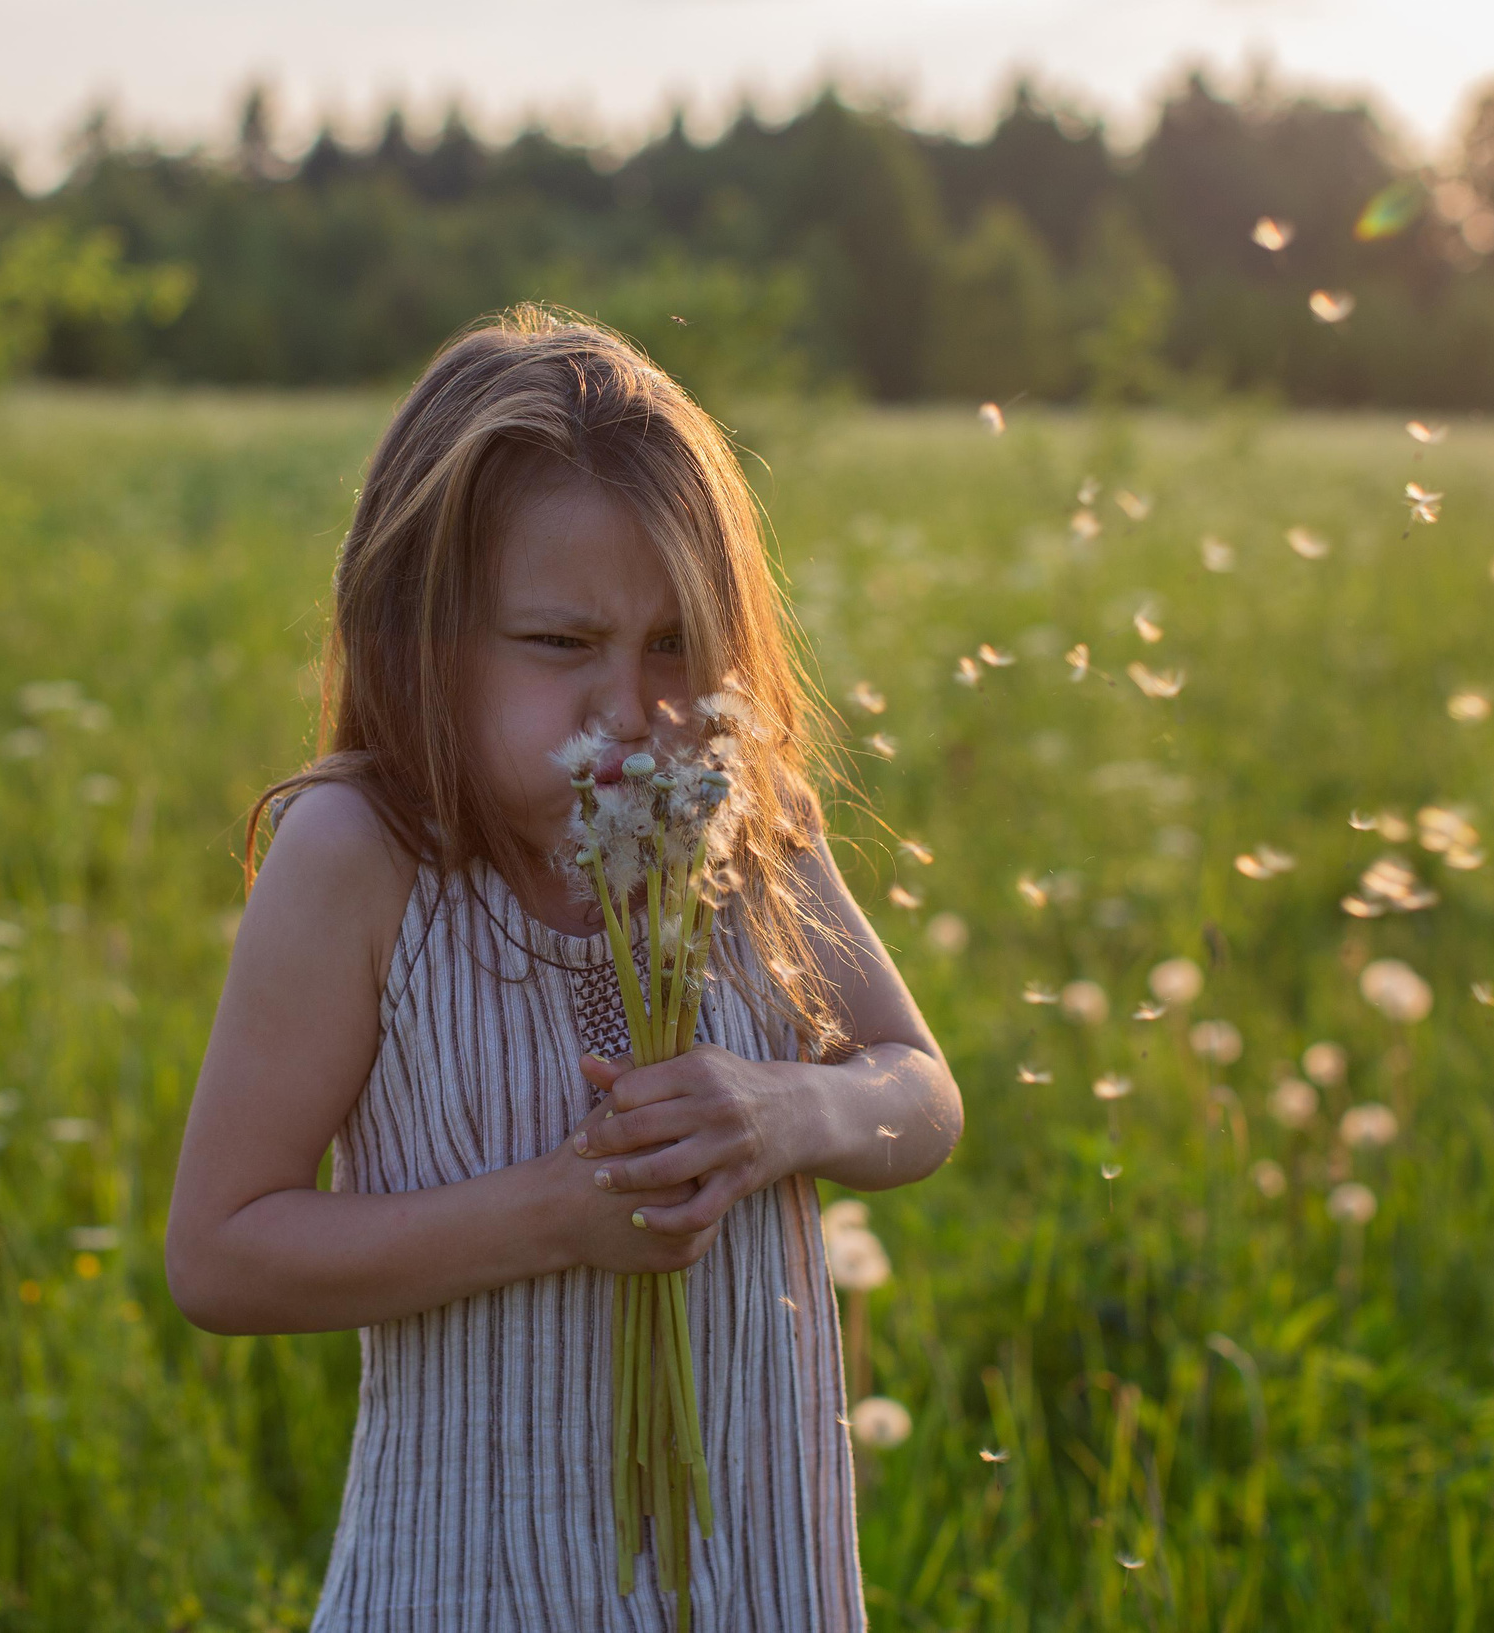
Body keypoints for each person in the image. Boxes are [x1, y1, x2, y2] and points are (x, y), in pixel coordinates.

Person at [164, 304, 962, 1630]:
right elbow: (221, 1253)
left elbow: (921, 1095)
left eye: (672, 646)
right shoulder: (360, 855)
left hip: (751, 1574)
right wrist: (554, 1213)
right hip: (474, 1577)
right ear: (419, 630)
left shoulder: (745, 819)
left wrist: (785, 1110)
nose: (628, 707)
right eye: (559, 645)